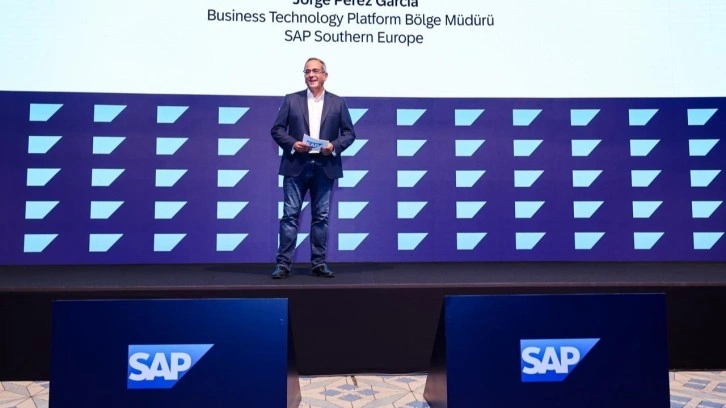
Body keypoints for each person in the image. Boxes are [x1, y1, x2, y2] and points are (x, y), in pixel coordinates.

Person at [270, 57, 356, 279]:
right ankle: (283, 264)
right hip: (296, 166)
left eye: (316, 71)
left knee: (321, 218)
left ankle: (319, 264)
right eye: (307, 71)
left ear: (325, 75)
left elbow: (349, 134)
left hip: (324, 166)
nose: (311, 75)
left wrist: (333, 146)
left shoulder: (338, 102)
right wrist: (292, 144)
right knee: (289, 216)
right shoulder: (291, 99)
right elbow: (277, 130)